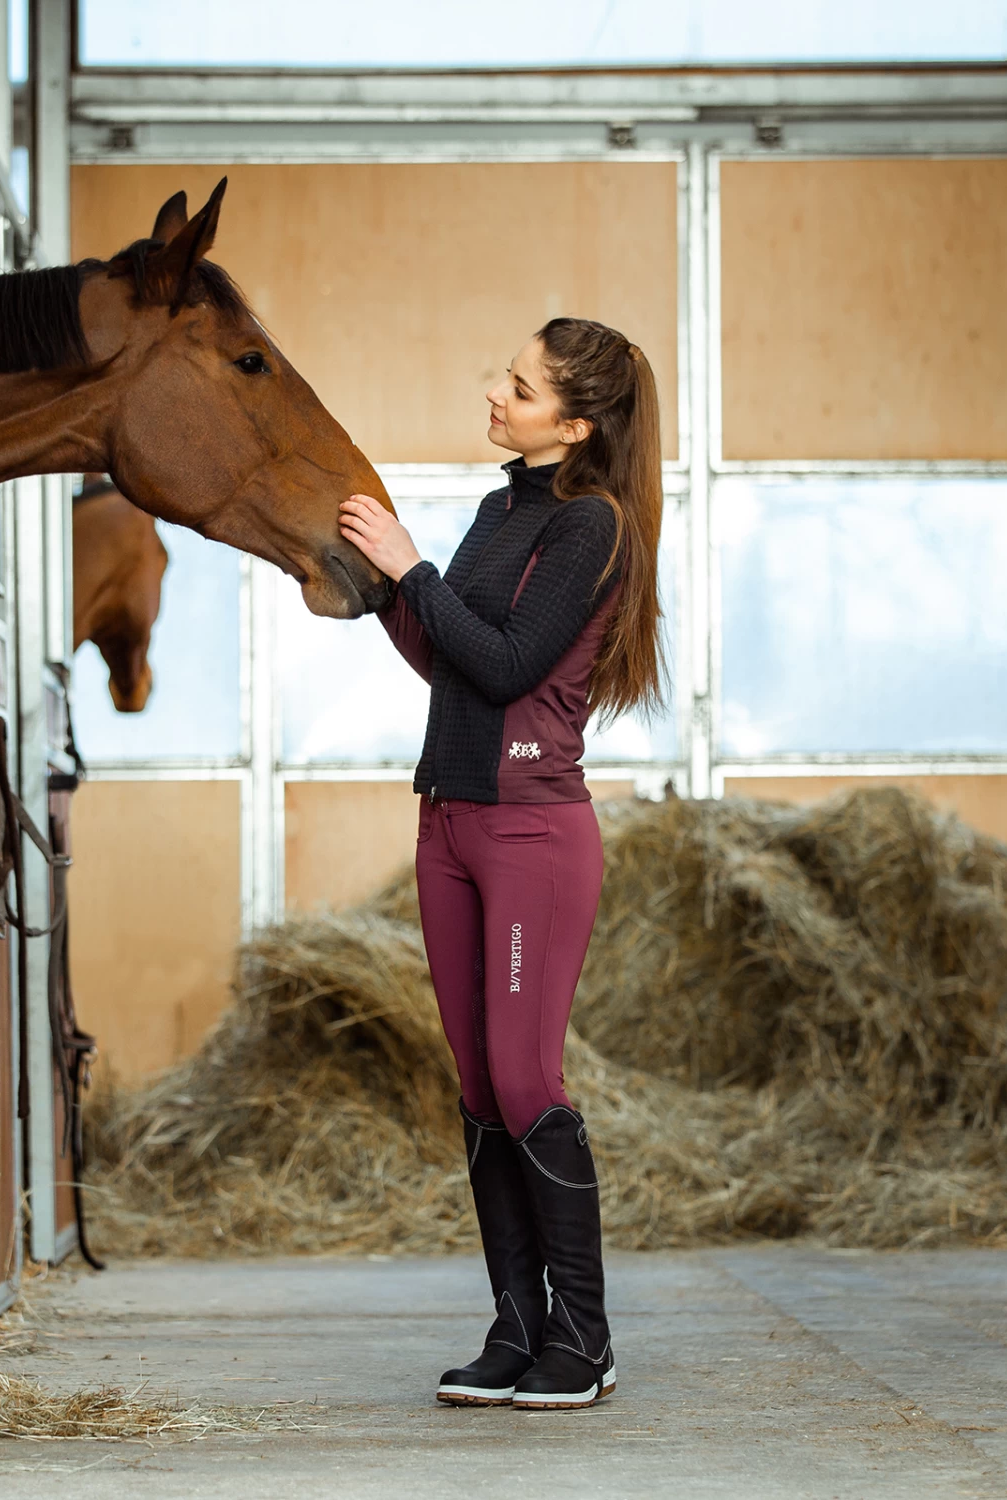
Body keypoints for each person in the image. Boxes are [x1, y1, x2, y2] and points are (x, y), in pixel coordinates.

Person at [339, 317, 664, 1411]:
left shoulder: (591, 526)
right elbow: (451, 657)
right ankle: (518, 1328)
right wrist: (382, 593)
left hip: (531, 833)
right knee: (479, 1088)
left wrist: (410, 567)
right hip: (450, 821)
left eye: (517, 386)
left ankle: (587, 1339)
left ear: (572, 425)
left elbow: (515, 663)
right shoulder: (499, 511)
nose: (494, 391)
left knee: (527, 1082)